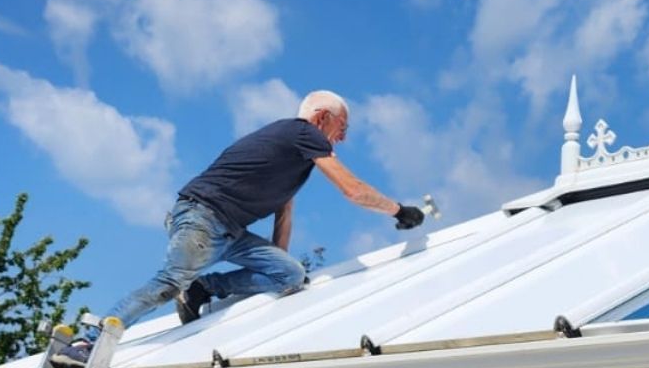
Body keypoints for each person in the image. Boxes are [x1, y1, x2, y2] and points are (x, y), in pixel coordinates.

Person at [107, 90, 427, 329]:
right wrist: (399, 211)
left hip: (228, 231)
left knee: (291, 274)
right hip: (202, 218)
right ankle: (89, 341)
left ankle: (202, 289)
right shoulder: (304, 133)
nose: (341, 139)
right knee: (168, 283)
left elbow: (283, 213)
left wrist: (277, 271)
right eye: (341, 128)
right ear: (320, 118)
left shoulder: (291, 156)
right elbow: (353, 190)